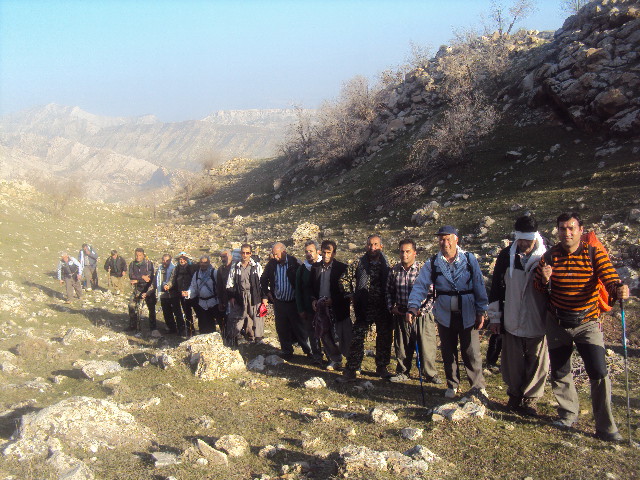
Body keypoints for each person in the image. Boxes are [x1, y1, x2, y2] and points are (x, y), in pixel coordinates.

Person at [535, 212, 629, 442]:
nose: (567, 233)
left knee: (598, 372)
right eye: (562, 228)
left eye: (571, 228)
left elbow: (609, 277)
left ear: (580, 230)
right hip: (557, 322)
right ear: (557, 231)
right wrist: (544, 280)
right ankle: (568, 414)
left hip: (587, 322)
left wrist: (619, 289)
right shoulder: (550, 256)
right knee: (560, 370)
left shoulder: (593, 252)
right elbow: (538, 286)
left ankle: (606, 426)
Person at [407, 226, 488, 398]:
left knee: (471, 351)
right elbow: (421, 286)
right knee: (448, 351)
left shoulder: (468, 259)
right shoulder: (433, 263)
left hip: (468, 312)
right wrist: (413, 306)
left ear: (456, 239)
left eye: (448, 239)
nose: (444, 243)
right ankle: (452, 384)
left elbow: (479, 284)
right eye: (441, 239)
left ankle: (478, 387)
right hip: (444, 314)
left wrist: (481, 310)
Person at [487, 215, 548, 415]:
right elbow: (496, 287)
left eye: (527, 241)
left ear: (535, 238)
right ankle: (514, 395)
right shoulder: (506, 255)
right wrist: (495, 318)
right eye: (520, 240)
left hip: (537, 317)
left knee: (536, 360)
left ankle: (530, 399)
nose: (523, 244)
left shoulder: (547, 256)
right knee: (512, 360)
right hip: (512, 316)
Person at [337, 234, 393, 382]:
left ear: (381, 246)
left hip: (383, 307)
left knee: (384, 337)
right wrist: (351, 295)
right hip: (363, 307)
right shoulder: (359, 263)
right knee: (357, 339)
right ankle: (352, 369)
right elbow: (344, 279)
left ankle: (382, 367)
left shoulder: (388, 263)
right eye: (370, 244)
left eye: (375, 244)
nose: (372, 248)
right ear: (366, 246)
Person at [386, 239, 442, 385]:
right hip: (402, 314)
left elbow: (432, 294)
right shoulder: (394, 271)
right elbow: (389, 291)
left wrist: (422, 310)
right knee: (402, 345)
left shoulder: (423, 270)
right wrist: (392, 307)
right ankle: (403, 371)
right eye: (401, 251)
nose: (404, 254)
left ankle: (430, 374)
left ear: (415, 253)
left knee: (426, 345)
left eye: (407, 251)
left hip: (421, 314)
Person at [261, 242, 311, 359]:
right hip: (279, 302)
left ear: (284, 252)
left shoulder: (294, 262)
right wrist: (267, 292)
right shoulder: (272, 264)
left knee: (300, 328)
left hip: (294, 302)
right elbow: (263, 278)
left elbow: (303, 281)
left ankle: (309, 352)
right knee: (282, 329)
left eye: (276, 254)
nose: (274, 257)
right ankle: (287, 351)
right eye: (273, 254)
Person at [310, 240, 352, 370]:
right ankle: (335, 359)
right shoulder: (315, 268)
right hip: (322, 308)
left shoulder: (342, 268)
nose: (326, 255)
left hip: (338, 308)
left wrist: (334, 300)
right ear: (320, 252)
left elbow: (346, 291)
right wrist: (313, 300)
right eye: (324, 252)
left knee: (344, 336)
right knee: (325, 334)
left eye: (329, 252)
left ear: (334, 253)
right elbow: (311, 288)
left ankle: (352, 362)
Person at [226, 244, 263, 345]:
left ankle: (258, 339)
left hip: (254, 294)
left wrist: (264, 298)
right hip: (240, 295)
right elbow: (230, 283)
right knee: (237, 316)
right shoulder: (236, 267)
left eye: (247, 253)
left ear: (251, 253)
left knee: (257, 316)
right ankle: (233, 337)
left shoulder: (256, 266)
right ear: (240, 253)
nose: (245, 255)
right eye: (243, 253)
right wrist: (232, 296)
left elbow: (262, 281)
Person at [296, 240, 323, 364]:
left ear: (318, 251)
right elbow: (298, 290)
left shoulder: (325, 265)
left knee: (327, 333)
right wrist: (301, 309)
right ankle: (317, 356)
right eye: (306, 252)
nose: (308, 254)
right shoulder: (302, 269)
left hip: (324, 307)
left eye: (311, 251)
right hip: (308, 308)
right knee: (312, 333)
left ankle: (333, 357)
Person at [148, 254, 184, 335]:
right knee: (166, 313)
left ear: (170, 260)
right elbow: (155, 281)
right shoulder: (159, 269)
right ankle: (172, 329)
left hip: (173, 294)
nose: (165, 262)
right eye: (163, 260)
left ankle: (181, 329)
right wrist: (149, 291)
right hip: (163, 294)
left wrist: (169, 285)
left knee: (177, 312)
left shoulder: (174, 268)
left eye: (167, 260)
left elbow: (174, 280)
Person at [188, 255, 219, 334]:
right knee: (202, 324)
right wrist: (188, 293)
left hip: (213, 302)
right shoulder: (197, 274)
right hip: (201, 303)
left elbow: (219, 287)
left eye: (205, 263)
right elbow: (193, 287)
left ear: (209, 263)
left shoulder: (214, 273)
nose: (203, 264)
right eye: (201, 262)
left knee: (214, 323)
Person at [128, 247, 157, 333]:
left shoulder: (148, 264)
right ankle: (133, 326)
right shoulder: (132, 264)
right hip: (138, 289)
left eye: (140, 255)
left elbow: (149, 278)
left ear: (143, 255)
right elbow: (131, 276)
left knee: (151, 308)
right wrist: (141, 278)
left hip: (148, 289)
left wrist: (137, 280)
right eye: (136, 255)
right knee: (131, 306)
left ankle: (153, 327)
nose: (138, 257)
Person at [169, 253, 198, 336]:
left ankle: (202, 329)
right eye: (180, 259)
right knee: (187, 313)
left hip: (193, 293)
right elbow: (172, 280)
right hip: (182, 294)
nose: (182, 260)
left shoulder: (192, 267)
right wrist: (168, 285)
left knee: (198, 312)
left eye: (184, 259)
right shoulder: (176, 269)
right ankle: (190, 331)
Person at [215, 249, 233, 338]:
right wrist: (220, 301)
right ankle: (228, 339)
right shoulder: (220, 270)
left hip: (236, 299)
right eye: (221, 257)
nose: (223, 259)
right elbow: (219, 286)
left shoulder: (236, 267)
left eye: (224, 256)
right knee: (226, 320)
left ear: (230, 256)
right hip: (225, 299)